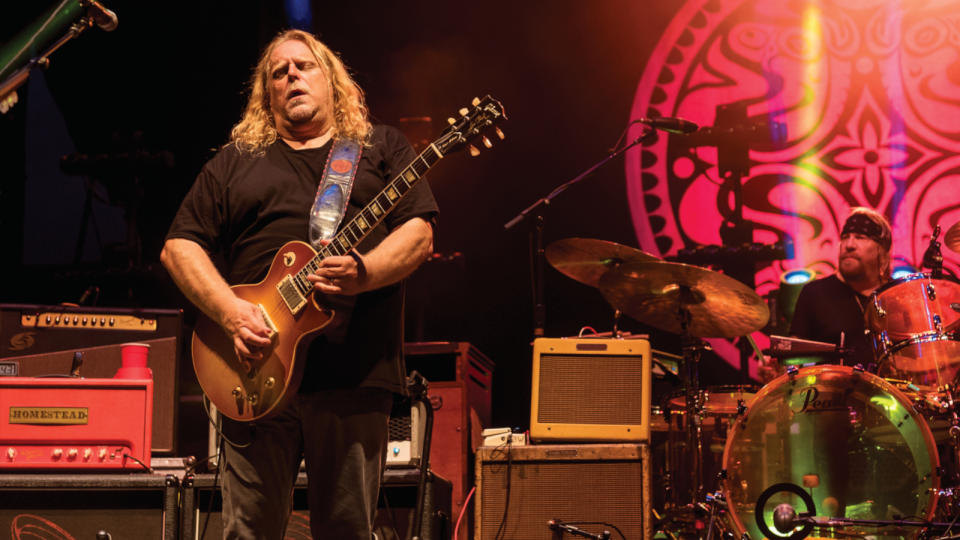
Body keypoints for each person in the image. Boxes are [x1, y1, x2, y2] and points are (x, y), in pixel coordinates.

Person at [160, 29, 438, 540]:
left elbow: (419, 232)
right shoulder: (235, 162)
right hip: (251, 370)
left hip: (353, 374)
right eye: (278, 72)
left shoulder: (380, 147)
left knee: (347, 529)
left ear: (332, 82)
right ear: (267, 94)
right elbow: (179, 246)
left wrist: (366, 272)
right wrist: (230, 313)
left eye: (304, 66)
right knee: (248, 530)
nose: (291, 76)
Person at [788, 207, 893, 368]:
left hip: (891, 391)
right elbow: (793, 357)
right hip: (830, 391)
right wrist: (779, 366)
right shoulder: (814, 294)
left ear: (882, 251)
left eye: (860, 237)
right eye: (845, 237)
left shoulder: (898, 297)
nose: (849, 245)